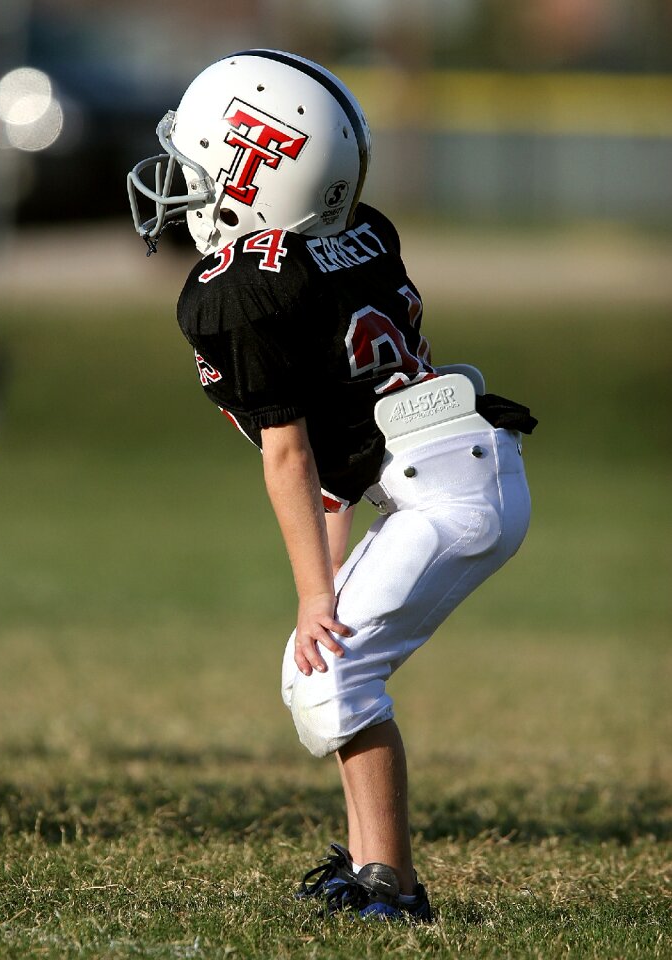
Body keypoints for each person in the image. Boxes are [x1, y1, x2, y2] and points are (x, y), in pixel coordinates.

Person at [127, 48, 536, 922]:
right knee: (322, 665)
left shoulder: (240, 291)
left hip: (450, 489)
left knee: (332, 681)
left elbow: (291, 456)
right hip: (453, 467)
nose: (183, 183)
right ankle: (367, 869)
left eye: (202, 162)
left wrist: (315, 593)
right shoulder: (359, 236)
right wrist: (323, 593)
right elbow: (341, 461)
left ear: (255, 170)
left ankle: (393, 889)